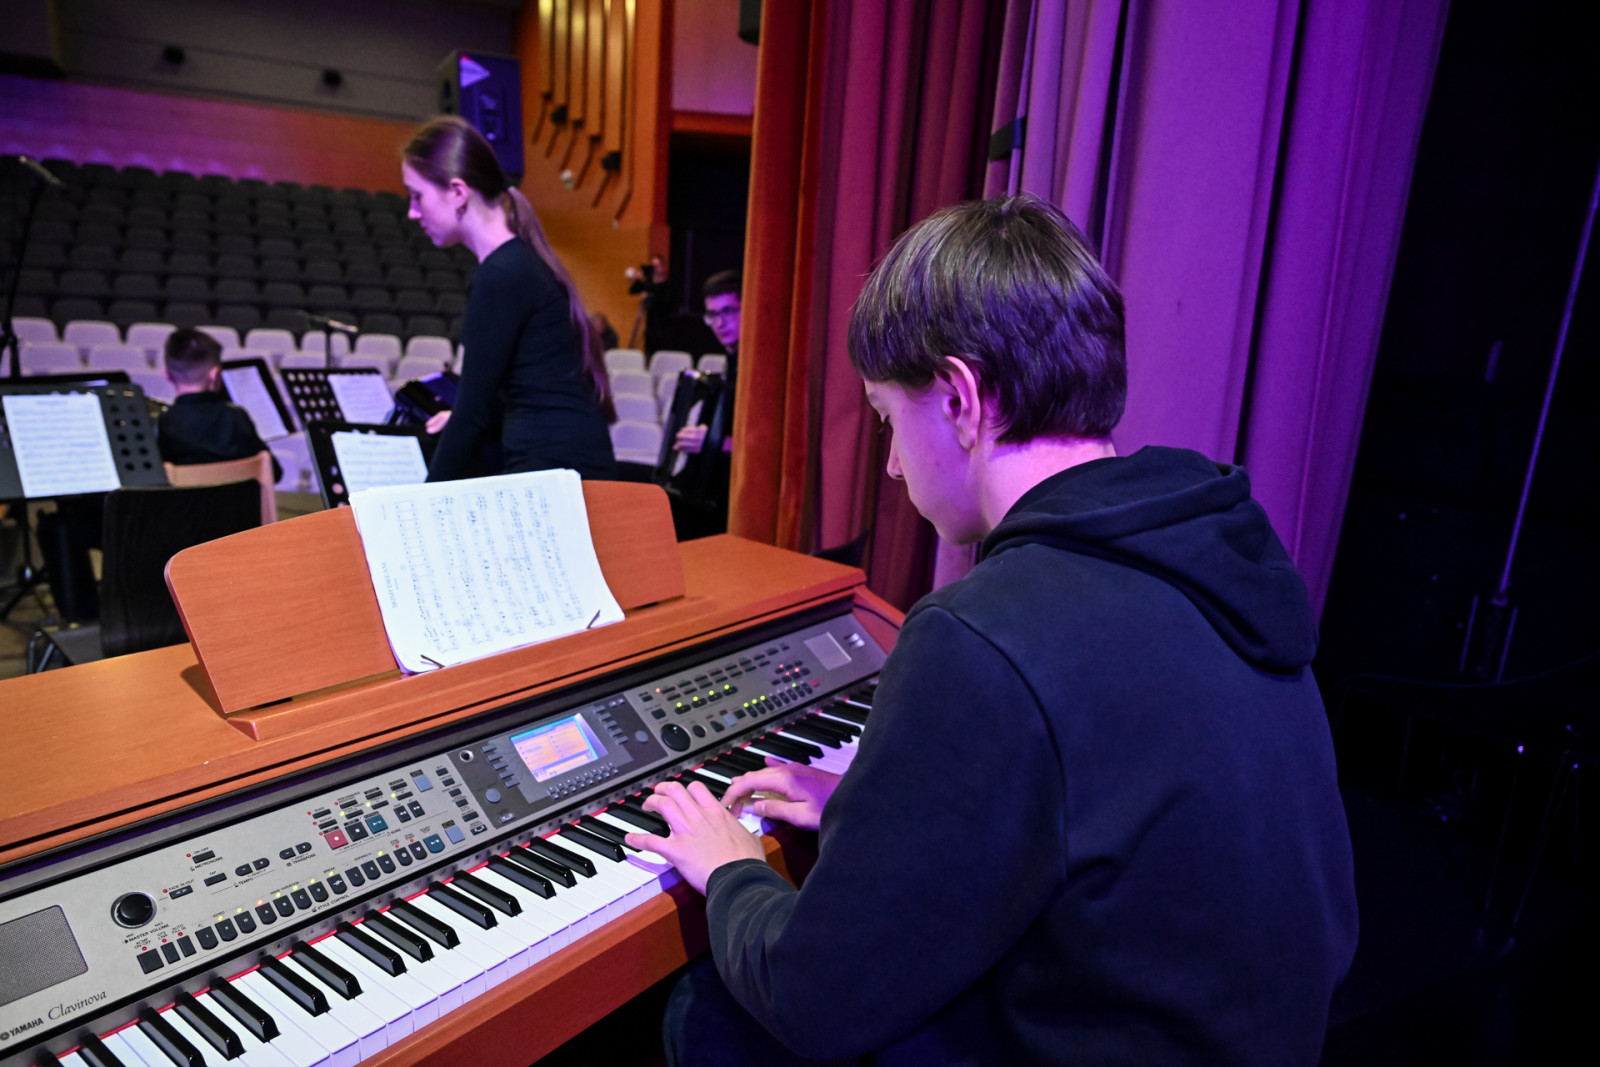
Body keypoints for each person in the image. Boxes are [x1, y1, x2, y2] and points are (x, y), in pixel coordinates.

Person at [626, 195, 1359, 1065]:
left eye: (888, 419)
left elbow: (812, 997)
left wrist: (732, 866)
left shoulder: (984, 632)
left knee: (708, 1014)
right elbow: (1101, 804)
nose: (891, 463)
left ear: (960, 398)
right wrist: (872, 811)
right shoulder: (1214, 554)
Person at [402, 115, 617, 482]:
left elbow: (472, 413)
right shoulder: (516, 263)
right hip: (568, 461)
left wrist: (425, 499)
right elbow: (521, 389)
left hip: (554, 469)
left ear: (458, 193)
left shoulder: (501, 274)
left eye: (417, 195)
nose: (412, 211)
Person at [157, 327, 280, 481]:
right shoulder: (235, 417)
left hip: (184, 497)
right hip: (235, 498)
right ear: (215, 374)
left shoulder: (164, 422)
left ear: (166, 373)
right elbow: (274, 473)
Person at [673, 269, 740, 457]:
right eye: (712, 315)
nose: (719, 323)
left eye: (728, 311)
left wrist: (715, 442)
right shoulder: (731, 364)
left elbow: (766, 446)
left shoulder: (760, 370)